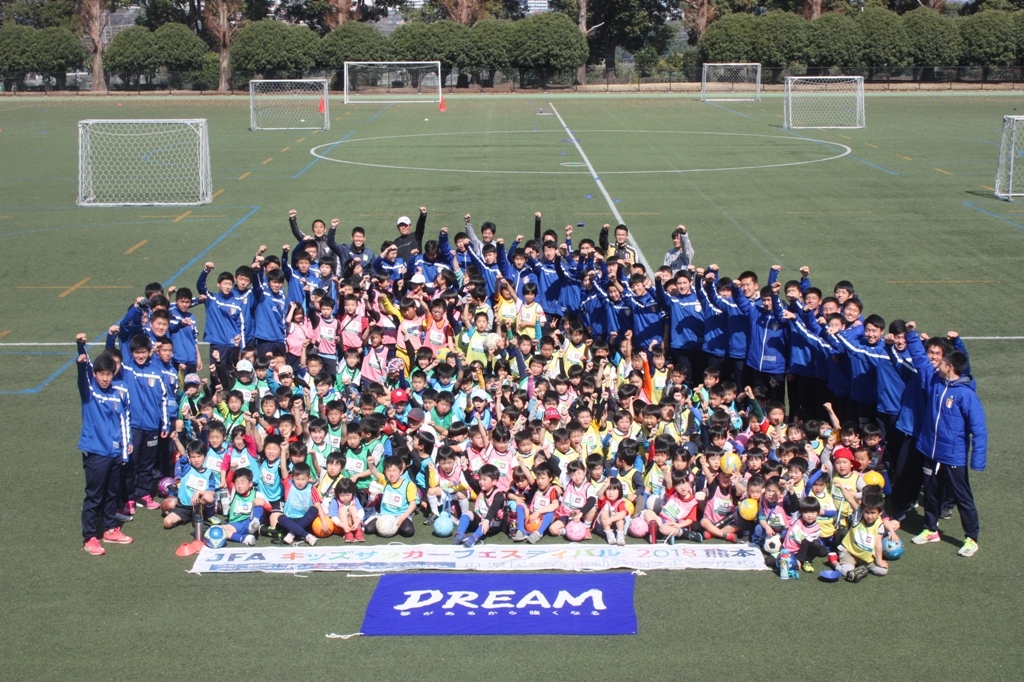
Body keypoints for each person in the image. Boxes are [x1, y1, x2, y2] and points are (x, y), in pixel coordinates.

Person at [905, 323, 987, 557]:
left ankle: (971, 537)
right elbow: (920, 359)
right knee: (930, 492)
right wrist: (911, 335)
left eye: (940, 361)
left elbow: (979, 429)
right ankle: (931, 528)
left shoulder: (965, 394)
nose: (935, 362)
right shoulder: (935, 381)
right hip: (930, 450)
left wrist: (977, 459)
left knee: (963, 498)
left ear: (950, 366)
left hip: (953, 455)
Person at [76, 336, 133, 555]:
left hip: (115, 453)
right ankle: (90, 537)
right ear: (96, 374)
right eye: (101, 374)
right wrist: (81, 349)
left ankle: (109, 529)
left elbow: (123, 421)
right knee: (94, 497)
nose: (105, 378)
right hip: (97, 454)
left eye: (109, 374)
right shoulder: (89, 393)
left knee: (112, 494)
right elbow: (84, 371)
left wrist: (124, 450)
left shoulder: (117, 395)